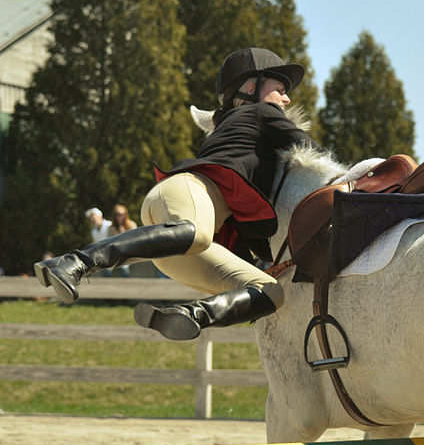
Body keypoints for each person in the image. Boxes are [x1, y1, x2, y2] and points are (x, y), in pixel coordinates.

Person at [35, 47, 317, 340]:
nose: (287, 98)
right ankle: (74, 262)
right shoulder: (263, 112)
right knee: (196, 232)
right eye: (280, 89)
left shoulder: (237, 126)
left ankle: (190, 315)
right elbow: (313, 153)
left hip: (177, 247)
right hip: (186, 202)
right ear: (250, 87)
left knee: (269, 293)